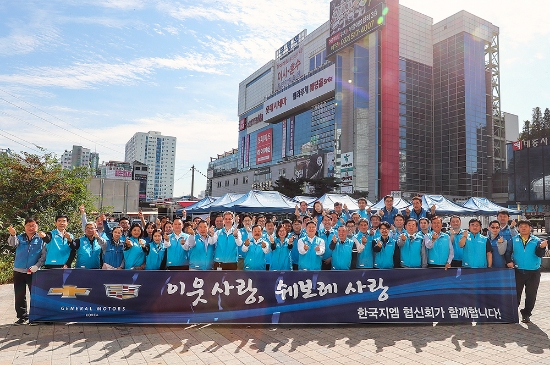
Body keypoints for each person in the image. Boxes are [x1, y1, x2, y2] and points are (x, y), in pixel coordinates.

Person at [506, 220, 548, 323]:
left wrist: (542, 247)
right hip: (518, 271)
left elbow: (540, 254)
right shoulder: (514, 239)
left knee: (531, 295)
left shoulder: (537, 240)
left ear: (530, 228)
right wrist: (509, 261)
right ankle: (512, 313)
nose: (523, 228)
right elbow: (508, 252)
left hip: (533, 272)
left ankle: (526, 314)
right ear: (518, 228)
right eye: (521, 226)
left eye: (526, 226)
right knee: (515, 294)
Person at [7, 218, 46, 325]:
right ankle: (22, 316)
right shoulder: (19, 237)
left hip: (33, 271)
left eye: (33, 225)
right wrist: (13, 235)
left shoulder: (41, 239)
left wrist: (37, 266)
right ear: (25, 226)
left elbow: (43, 256)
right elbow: (12, 244)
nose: (31, 227)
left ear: (37, 227)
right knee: (19, 295)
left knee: (35, 294)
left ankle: (35, 316)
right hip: (18, 271)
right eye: (28, 225)